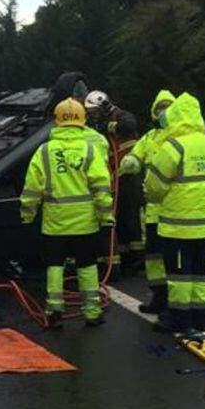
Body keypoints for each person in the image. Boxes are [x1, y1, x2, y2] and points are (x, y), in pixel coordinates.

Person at [20, 97, 115, 328]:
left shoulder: (44, 152)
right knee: (87, 266)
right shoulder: (90, 150)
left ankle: (54, 313)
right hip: (86, 223)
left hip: (55, 223)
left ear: (57, 122)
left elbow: (31, 190)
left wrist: (27, 216)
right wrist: (106, 217)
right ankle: (92, 313)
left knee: (54, 267)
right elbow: (102, 188)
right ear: (82, 121)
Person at [144, 92, 205, 333]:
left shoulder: (173, 146)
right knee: (200, 273)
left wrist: (156, 198)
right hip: (204, 226)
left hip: (177, 225)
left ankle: (178, 318)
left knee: (179, 275)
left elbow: (154, 185)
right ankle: (201, 317)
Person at [118, 90, 176, 313]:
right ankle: (159, 297)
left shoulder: (179, 135)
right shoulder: (150, 137)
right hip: (153, 210)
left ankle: (175, 302)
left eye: (168, 107)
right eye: (160, 108)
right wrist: (130, 162)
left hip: (174, 210)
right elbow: (136, 152)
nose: (164, 112)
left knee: (173, 259)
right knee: (154, 259)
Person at [84, 90, 139, 279]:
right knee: (118, 220)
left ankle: (135, 259)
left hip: (130, 175)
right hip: (114, 176)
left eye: (95, 111)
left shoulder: (121, 116)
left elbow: (129, 125)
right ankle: (120, 261)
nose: (93, 116)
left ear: (105, 106)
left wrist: (109, 126)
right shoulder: (95, 126)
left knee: (130, 219)